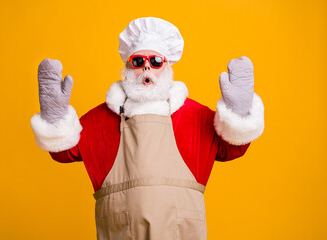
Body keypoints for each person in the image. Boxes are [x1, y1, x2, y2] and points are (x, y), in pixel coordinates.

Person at [31, 17, 264, 240]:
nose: (146, 69)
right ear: (127, 67)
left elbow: (232, 148)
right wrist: (55, 117)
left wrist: (239, 112)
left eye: (155, 61)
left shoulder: (195, 117)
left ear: (168, 66)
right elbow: (63, 152)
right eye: (138, 61)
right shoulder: (101, 119)